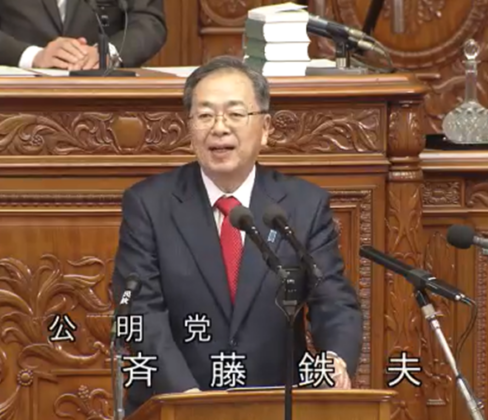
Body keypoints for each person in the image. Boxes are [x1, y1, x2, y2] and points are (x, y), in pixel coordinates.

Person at [111, 55, 363, 416]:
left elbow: (333, 301)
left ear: (266, 127)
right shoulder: (149, 204)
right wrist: (188, 400)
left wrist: (335, 359)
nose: (219, 128)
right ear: (189, 127)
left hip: (276, 405)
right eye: (205, 115)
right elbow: (141, 313)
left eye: (234, 113)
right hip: (175, 405)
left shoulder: (303, 205)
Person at [0, 0, 166, 69]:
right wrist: (34, 56)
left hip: (107, 101)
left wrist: (108, 53)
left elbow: (148, 20)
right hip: (11, 101)